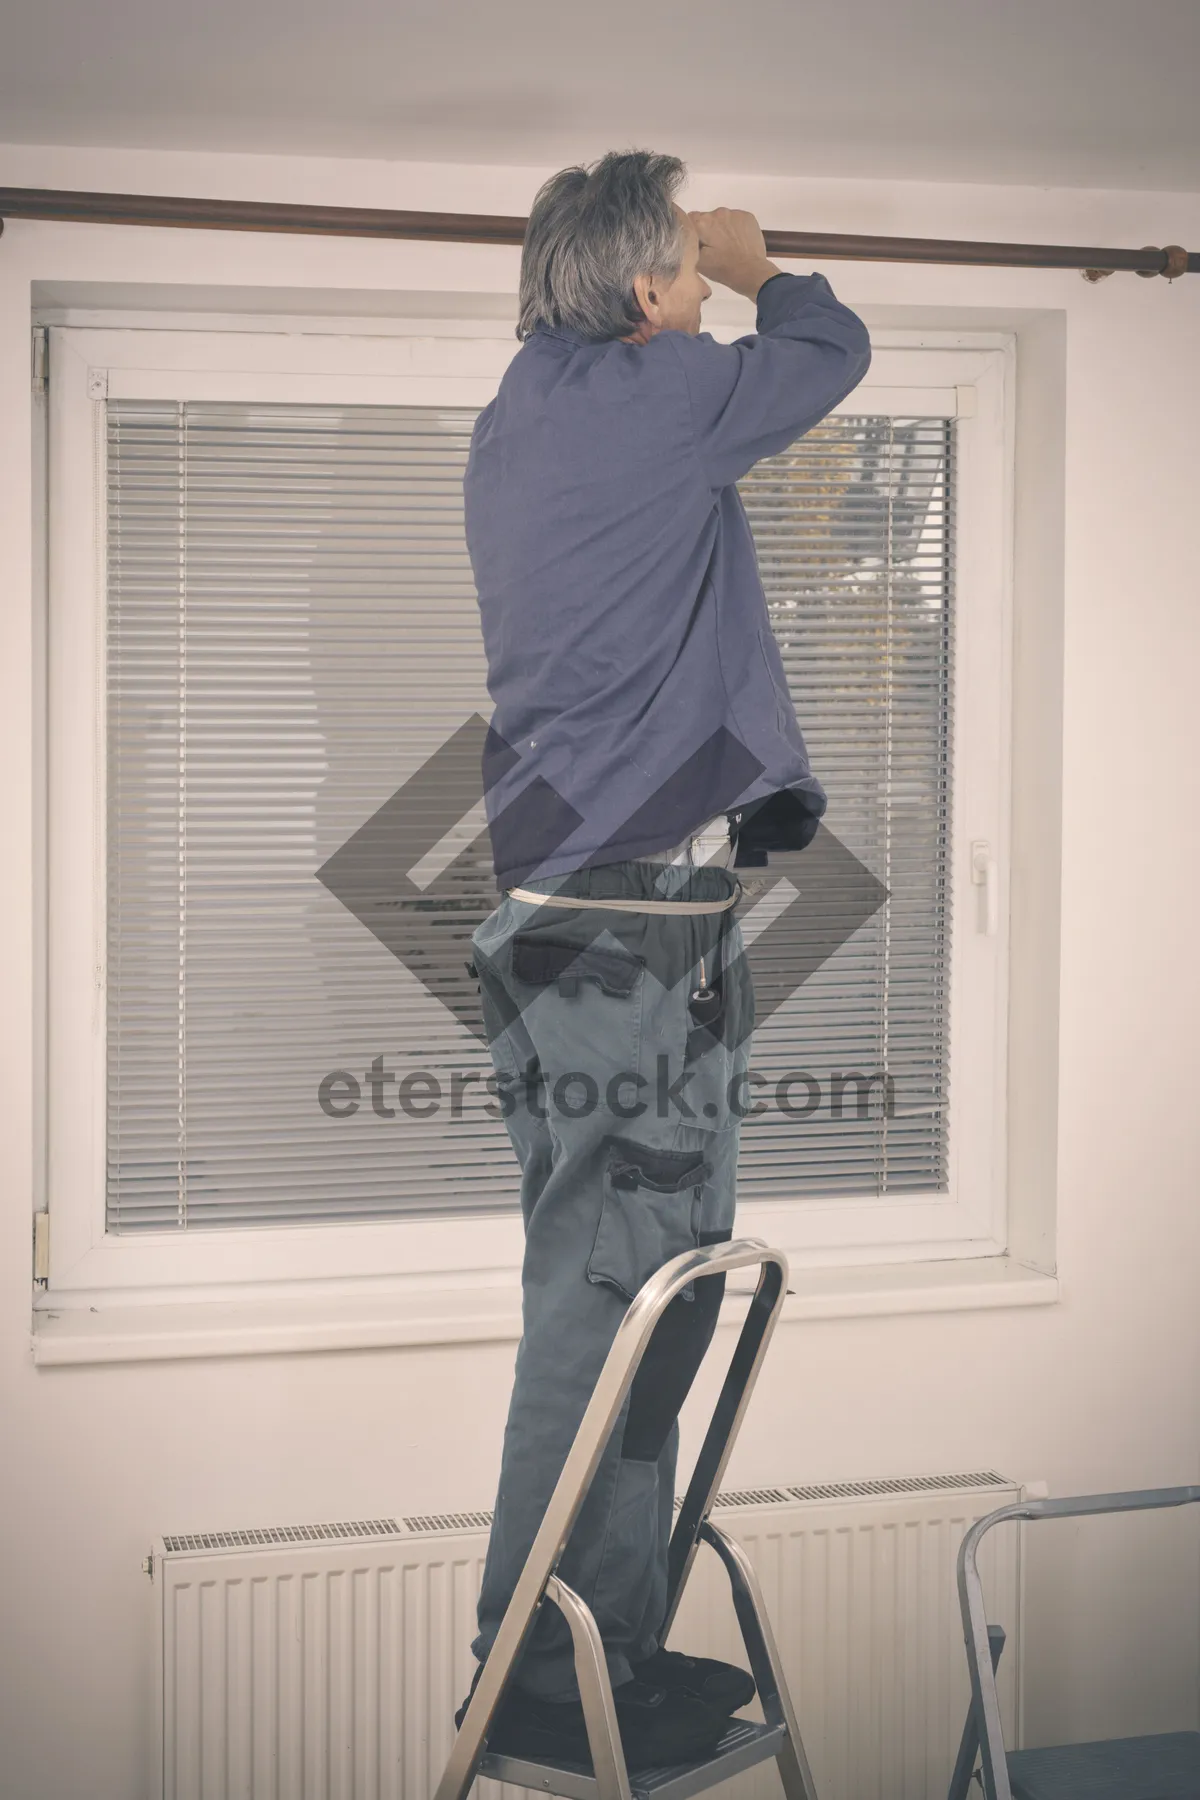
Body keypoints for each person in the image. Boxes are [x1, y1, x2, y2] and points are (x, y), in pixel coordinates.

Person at [459, 149, 871, 1771]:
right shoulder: (653, 393)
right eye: (686, 277)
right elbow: (828, 356)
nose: (705, 297)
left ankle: (602, 1639)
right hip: (626, 923)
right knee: (607, 1302)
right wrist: (767, 262)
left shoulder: (525, 413)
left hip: (598, 915)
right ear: (642, 295)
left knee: (646, 1301)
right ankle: (527, 1653)